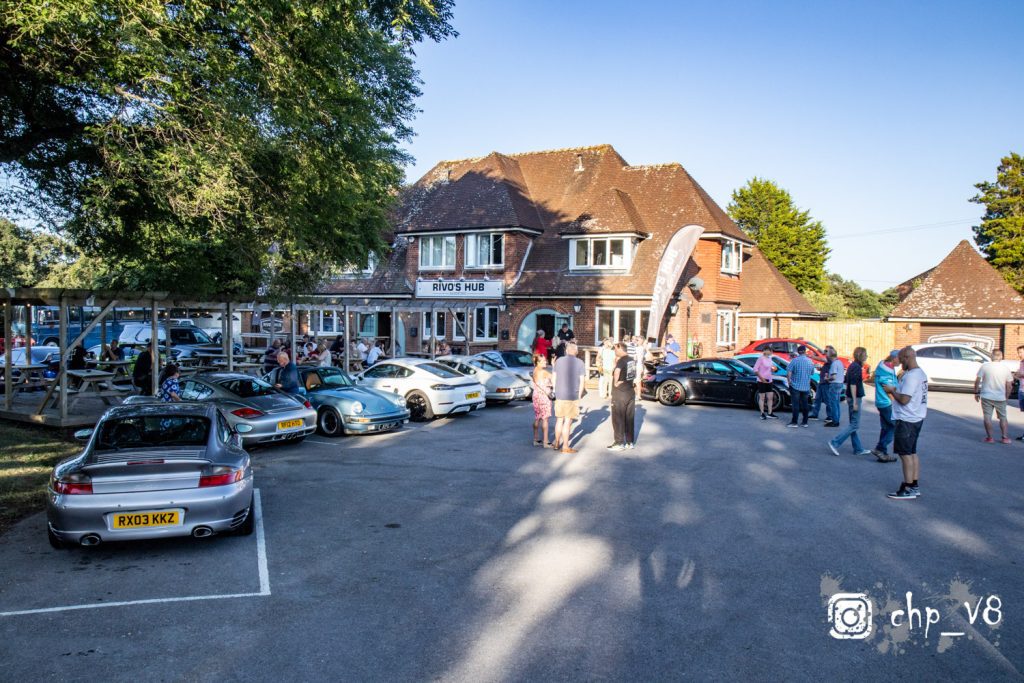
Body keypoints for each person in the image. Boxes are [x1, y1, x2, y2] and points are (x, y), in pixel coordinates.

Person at [884, 347, 928, 500]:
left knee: (905, 454)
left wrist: (891, 391)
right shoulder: (919, 373)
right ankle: (914, 485)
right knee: (912, 452)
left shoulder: (912, 376)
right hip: (916, 418)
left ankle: (907, 487)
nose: (900, 362)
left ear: (907, 357)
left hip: (907, 419)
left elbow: (904, 399)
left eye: (901, 359)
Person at [828, 348, 873, 456]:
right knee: (854, 425)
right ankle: (835, 442)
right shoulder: (856, 367)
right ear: (860, 355)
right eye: (865, 354)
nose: (866, 356)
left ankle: (858, 448)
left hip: (851, 397)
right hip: (855, 398)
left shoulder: (853, 366)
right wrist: (855, 402)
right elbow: (853, 384)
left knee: (853, 424)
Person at [551, 341, 586, 454]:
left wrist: (555, 390)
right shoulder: (580, 363)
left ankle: (556, 443)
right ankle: (565, 446)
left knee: (559, 420)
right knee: (568, 421)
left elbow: (554, 377)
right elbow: (582, 381)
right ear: (576, 351)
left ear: (566, 350)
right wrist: (579, 394)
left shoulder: (559, 361)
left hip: (560, 394)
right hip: (572, 395)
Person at [975, 349, 1014, 444]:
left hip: (986, 396)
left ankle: (990, 438)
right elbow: (1009, 385)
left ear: (991, 356)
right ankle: (1005, 438)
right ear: (1001, 357)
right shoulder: (1006, 369)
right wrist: (1006, 397)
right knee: (1003, 417)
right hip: (1000, 397)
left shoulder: (985, 367)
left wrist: (976, 392)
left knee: (987, 417)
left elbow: (977, 380)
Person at [870, 350, 901, 462]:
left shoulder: (886, 366)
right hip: (886, 403)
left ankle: (883, 453)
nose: (901, 361)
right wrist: (895, 402)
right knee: (894, 426)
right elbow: (888, 389)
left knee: (886, 427)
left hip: (882, 402)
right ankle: (880, 448)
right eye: (900, 358)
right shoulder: (886, 370)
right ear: (894, 358)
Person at [608, 342, 637, 450]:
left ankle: (619, 443)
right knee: (629, 418)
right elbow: (633, 374)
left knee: (618, 418)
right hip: (630, 391)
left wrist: (616, 382)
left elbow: (617, 371)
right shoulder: (631, 359)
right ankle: (629, 442)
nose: (614, 351)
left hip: (620, 393)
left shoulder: (622, 360)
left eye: (615, 349)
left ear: (620, 348)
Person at [787, 345, 814, 428]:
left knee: (796, 404)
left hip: (795, 386)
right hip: (805, 386)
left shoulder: (794, 361)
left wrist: (789, 381)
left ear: (798, 352)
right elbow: (812, 373)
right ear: (805, 351)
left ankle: (794, 422)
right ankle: (805, 422)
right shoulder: (810, 362)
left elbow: (789, 372)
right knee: (805, 404)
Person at [531, 354, 554, 447]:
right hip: (544, 396)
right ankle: (546, 441)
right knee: (545, 419)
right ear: (538, 362)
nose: (546, 362)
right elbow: (554, 377)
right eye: (544, 361)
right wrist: (554, 365)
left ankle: (536, 439)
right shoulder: (543, 372)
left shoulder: (535, 370)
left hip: (536, 395)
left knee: (537, 417)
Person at [753, 348, 779, 419]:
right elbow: (755, 369)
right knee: (762, 397)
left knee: (770, 397)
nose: (771, 352)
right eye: (770, 350)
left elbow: (771, 368)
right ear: (765, 351)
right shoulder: (760, 359)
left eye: (772, 350)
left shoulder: (770, 358)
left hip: (769, 380)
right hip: (761, 380)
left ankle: (770, 413)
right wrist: (762, 379)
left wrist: (774, 369)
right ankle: (762, 413)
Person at [1016, 345, 1024, 441]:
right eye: (1018, 352)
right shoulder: (1021, 362)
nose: (1019, 354)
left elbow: (1020, 374)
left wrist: (1020, 374)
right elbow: (1017, 375)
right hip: (1021, 390)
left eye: (1021, 352)